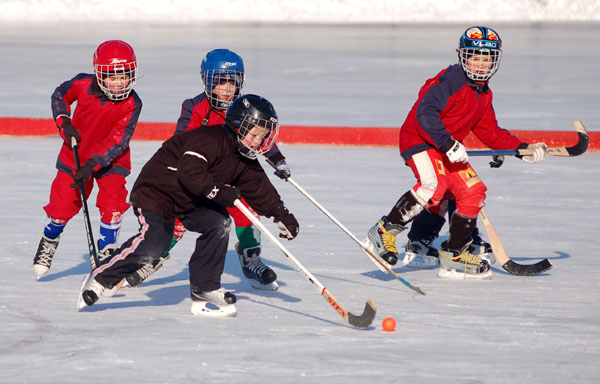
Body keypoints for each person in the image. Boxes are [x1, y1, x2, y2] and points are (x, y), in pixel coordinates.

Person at [77, 94, 299, 317]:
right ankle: (101, 277)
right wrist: (222, 193)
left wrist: (282, 215)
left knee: (219, 223)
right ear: (238, 125)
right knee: (154, 244)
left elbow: (260, 189)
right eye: (255, 134)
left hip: (191, 200)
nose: (259, 141)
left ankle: (205, 287)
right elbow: (190, 173)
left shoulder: (244, 159)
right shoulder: (209, 139)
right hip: (158, 194)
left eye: (263, 136)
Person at [364, 26, 549, 279]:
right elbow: (425, 113)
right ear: (463, 56)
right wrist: (448, 144)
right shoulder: (452, 80)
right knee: (432, 186)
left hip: (447, 149)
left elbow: (490, 130)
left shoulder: (483, 94)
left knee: (473, 192)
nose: (481, 64)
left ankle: (454, 254)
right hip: (421, 141)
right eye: (475, 57)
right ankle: (383, 232)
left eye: (487, 58)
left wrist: (521, 148)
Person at [123, 48, 290, 291]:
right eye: (219, 83)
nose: (225, 89)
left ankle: (250, 258)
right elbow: (182, 143)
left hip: (232, 175)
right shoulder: (194, 107)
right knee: (178, 216)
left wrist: (277, 158)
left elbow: (259, 134)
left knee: (247, 209)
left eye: (231, 83)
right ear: (207, 82)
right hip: (198, 177)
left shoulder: (245, 108)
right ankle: (152, 258)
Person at [33, 40, 142, 279]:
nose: (118, 83)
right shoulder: (83, 84)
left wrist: (93, 164)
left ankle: (107, 250)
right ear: (99, 74)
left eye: (124, 76)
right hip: (75, 155)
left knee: (113, 201)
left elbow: (118, 140)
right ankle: (50, 237)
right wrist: (65, 122)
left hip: (111, 159)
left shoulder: (132, 103)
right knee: (62, 207)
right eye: (112, 77)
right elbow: (60, 95)